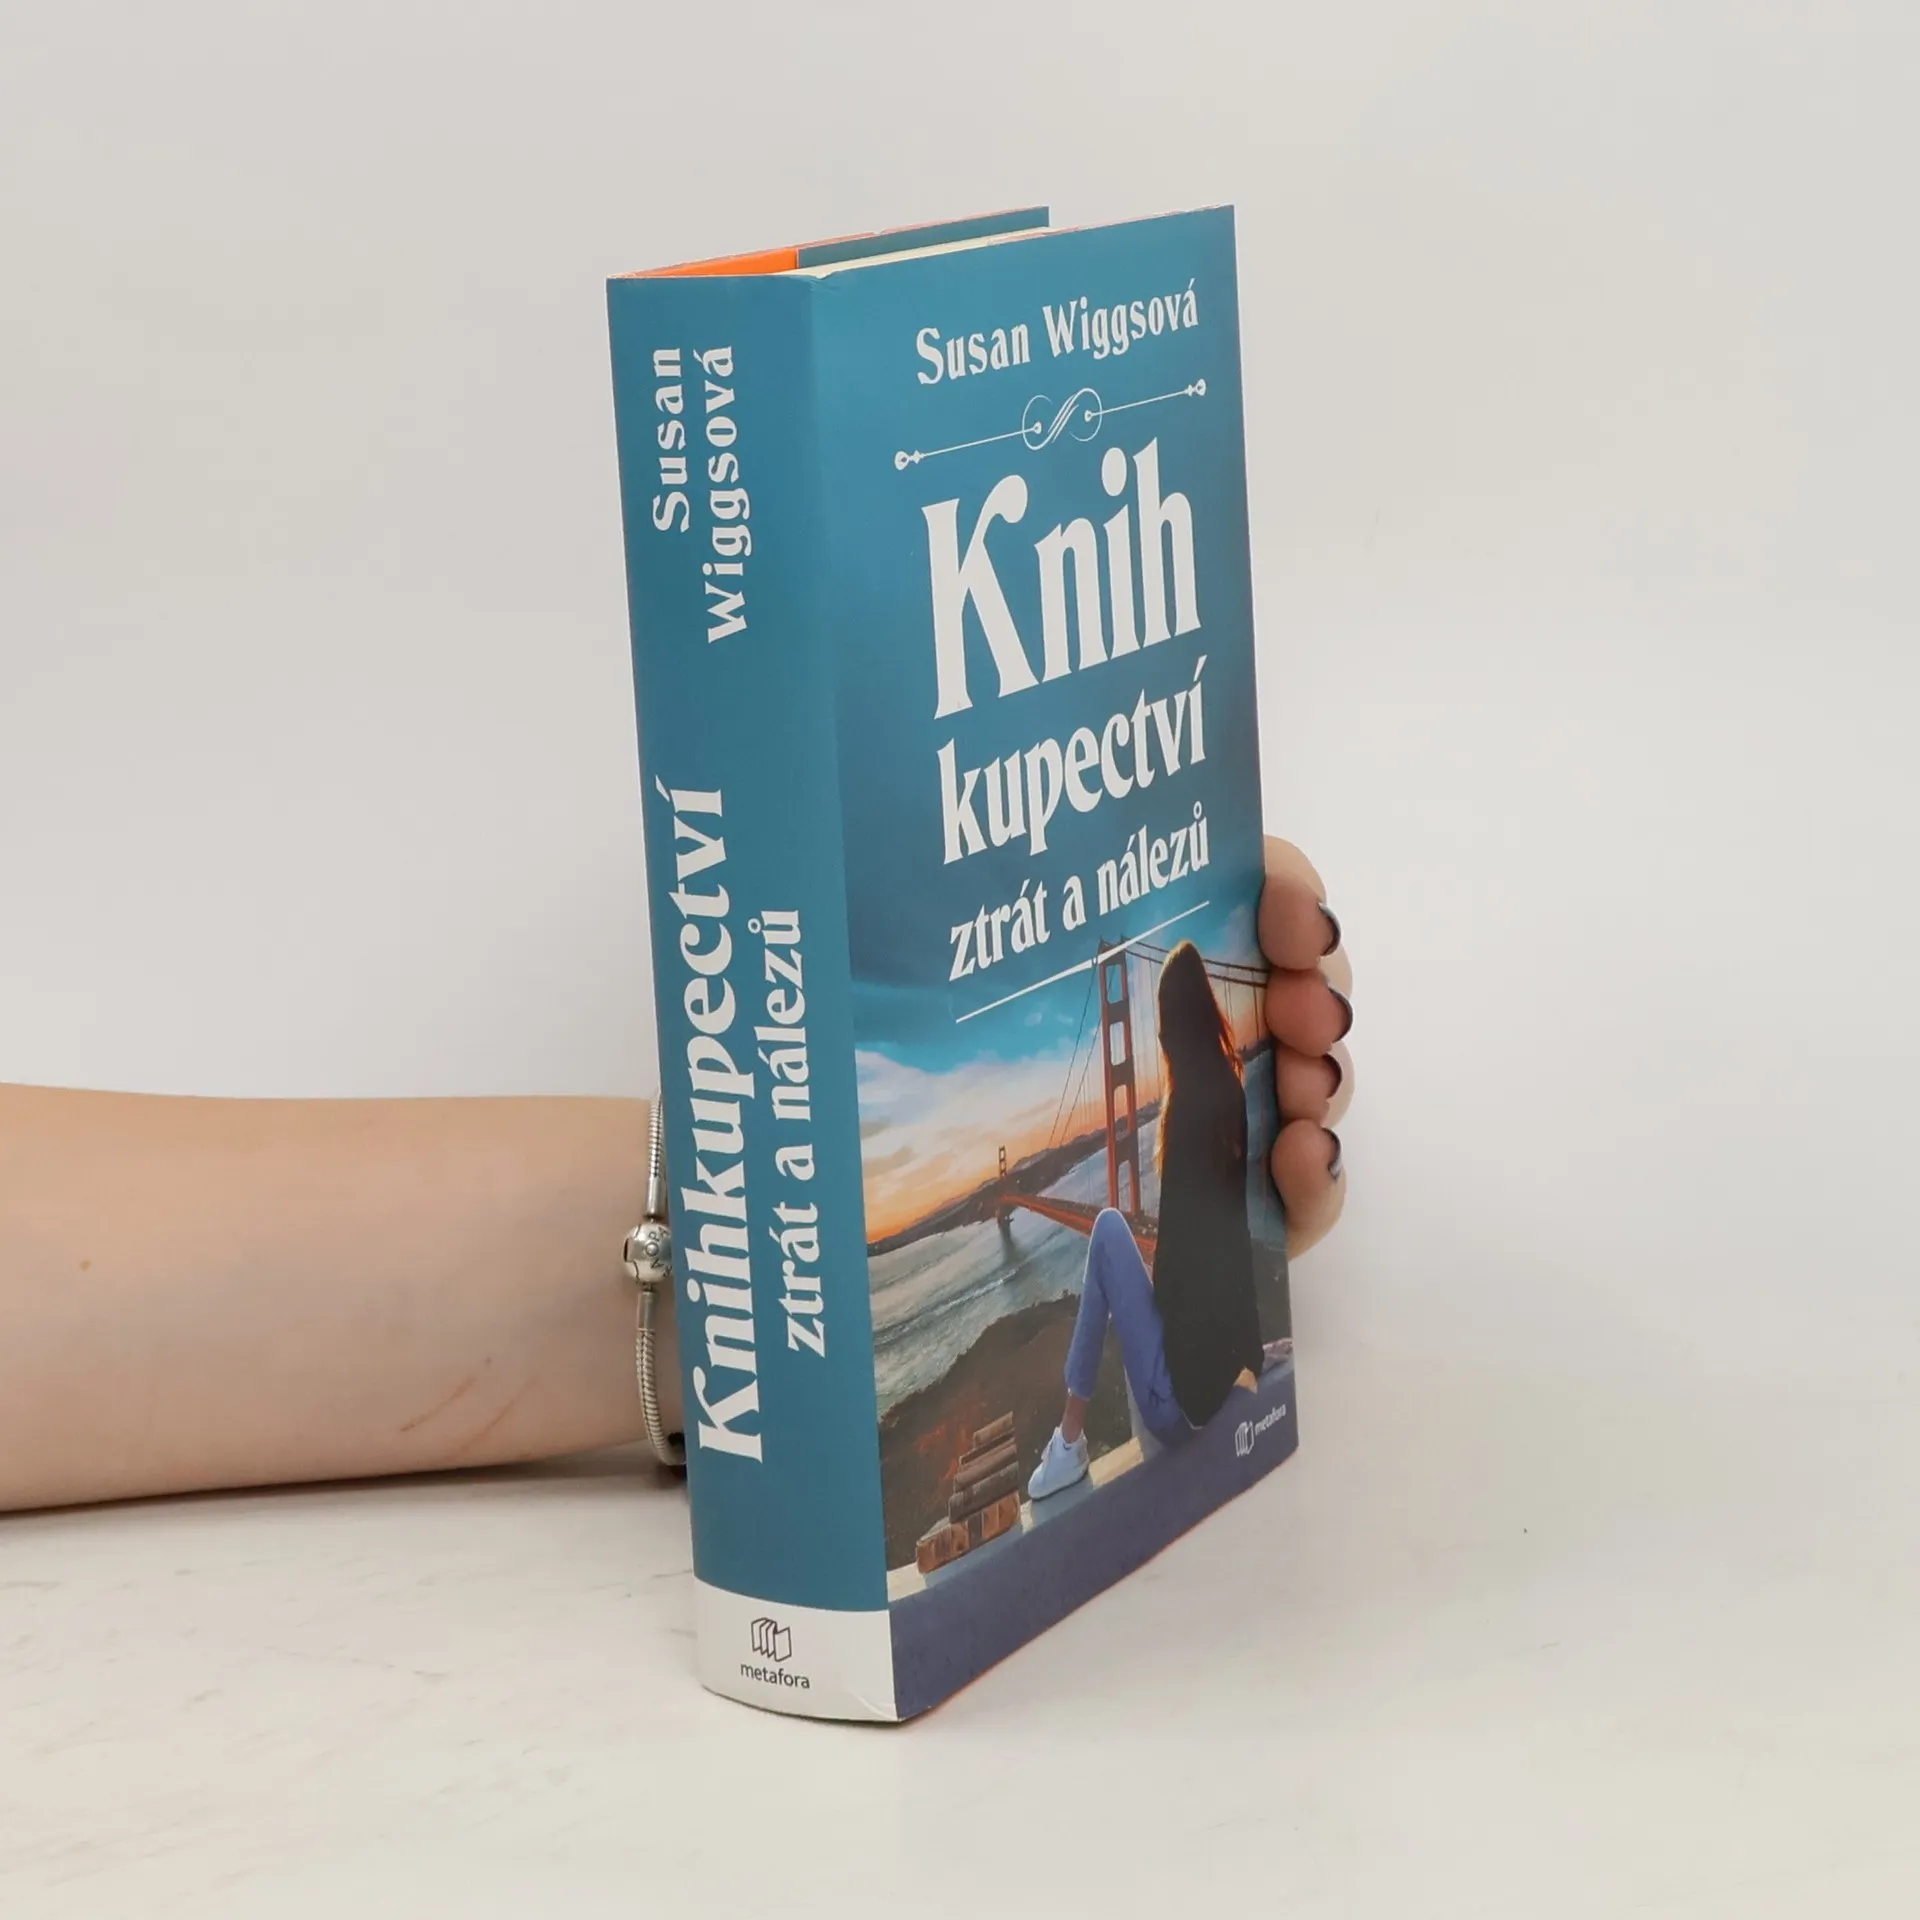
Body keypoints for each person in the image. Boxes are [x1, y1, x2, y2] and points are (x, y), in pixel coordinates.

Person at [0, 839, 1352, 1515]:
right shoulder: (1195, 1120)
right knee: (1121, 1223)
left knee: (1110, 1226)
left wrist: (723, 1234)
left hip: (1158, 1410)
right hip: (1203, 1400)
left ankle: (1068, 1437)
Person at [1028, 932, 1299, 1498]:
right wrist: (1252, 1354)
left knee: (1108, 1228)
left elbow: (1174, 1272)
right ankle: (1069, 1442)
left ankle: (1070, 1441)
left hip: (1177, 1407)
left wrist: (1147, 1283)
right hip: (1218, 1384)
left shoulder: (1186, 1114)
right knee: (1126, 1253)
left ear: (1170, 1027)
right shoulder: (1229, 1093)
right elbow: (1234, 1236)